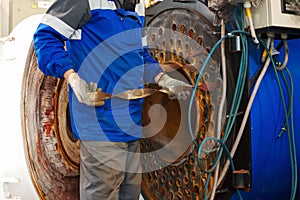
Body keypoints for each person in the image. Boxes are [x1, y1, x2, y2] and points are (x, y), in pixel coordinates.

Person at [33, 0, 190, 199]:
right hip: (100, 125)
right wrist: (71, 76)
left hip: (131, 123)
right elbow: (45, 37)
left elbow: (138, 53)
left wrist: (162, 78)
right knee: (103, 193)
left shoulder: (136, 5)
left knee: (130, 193)